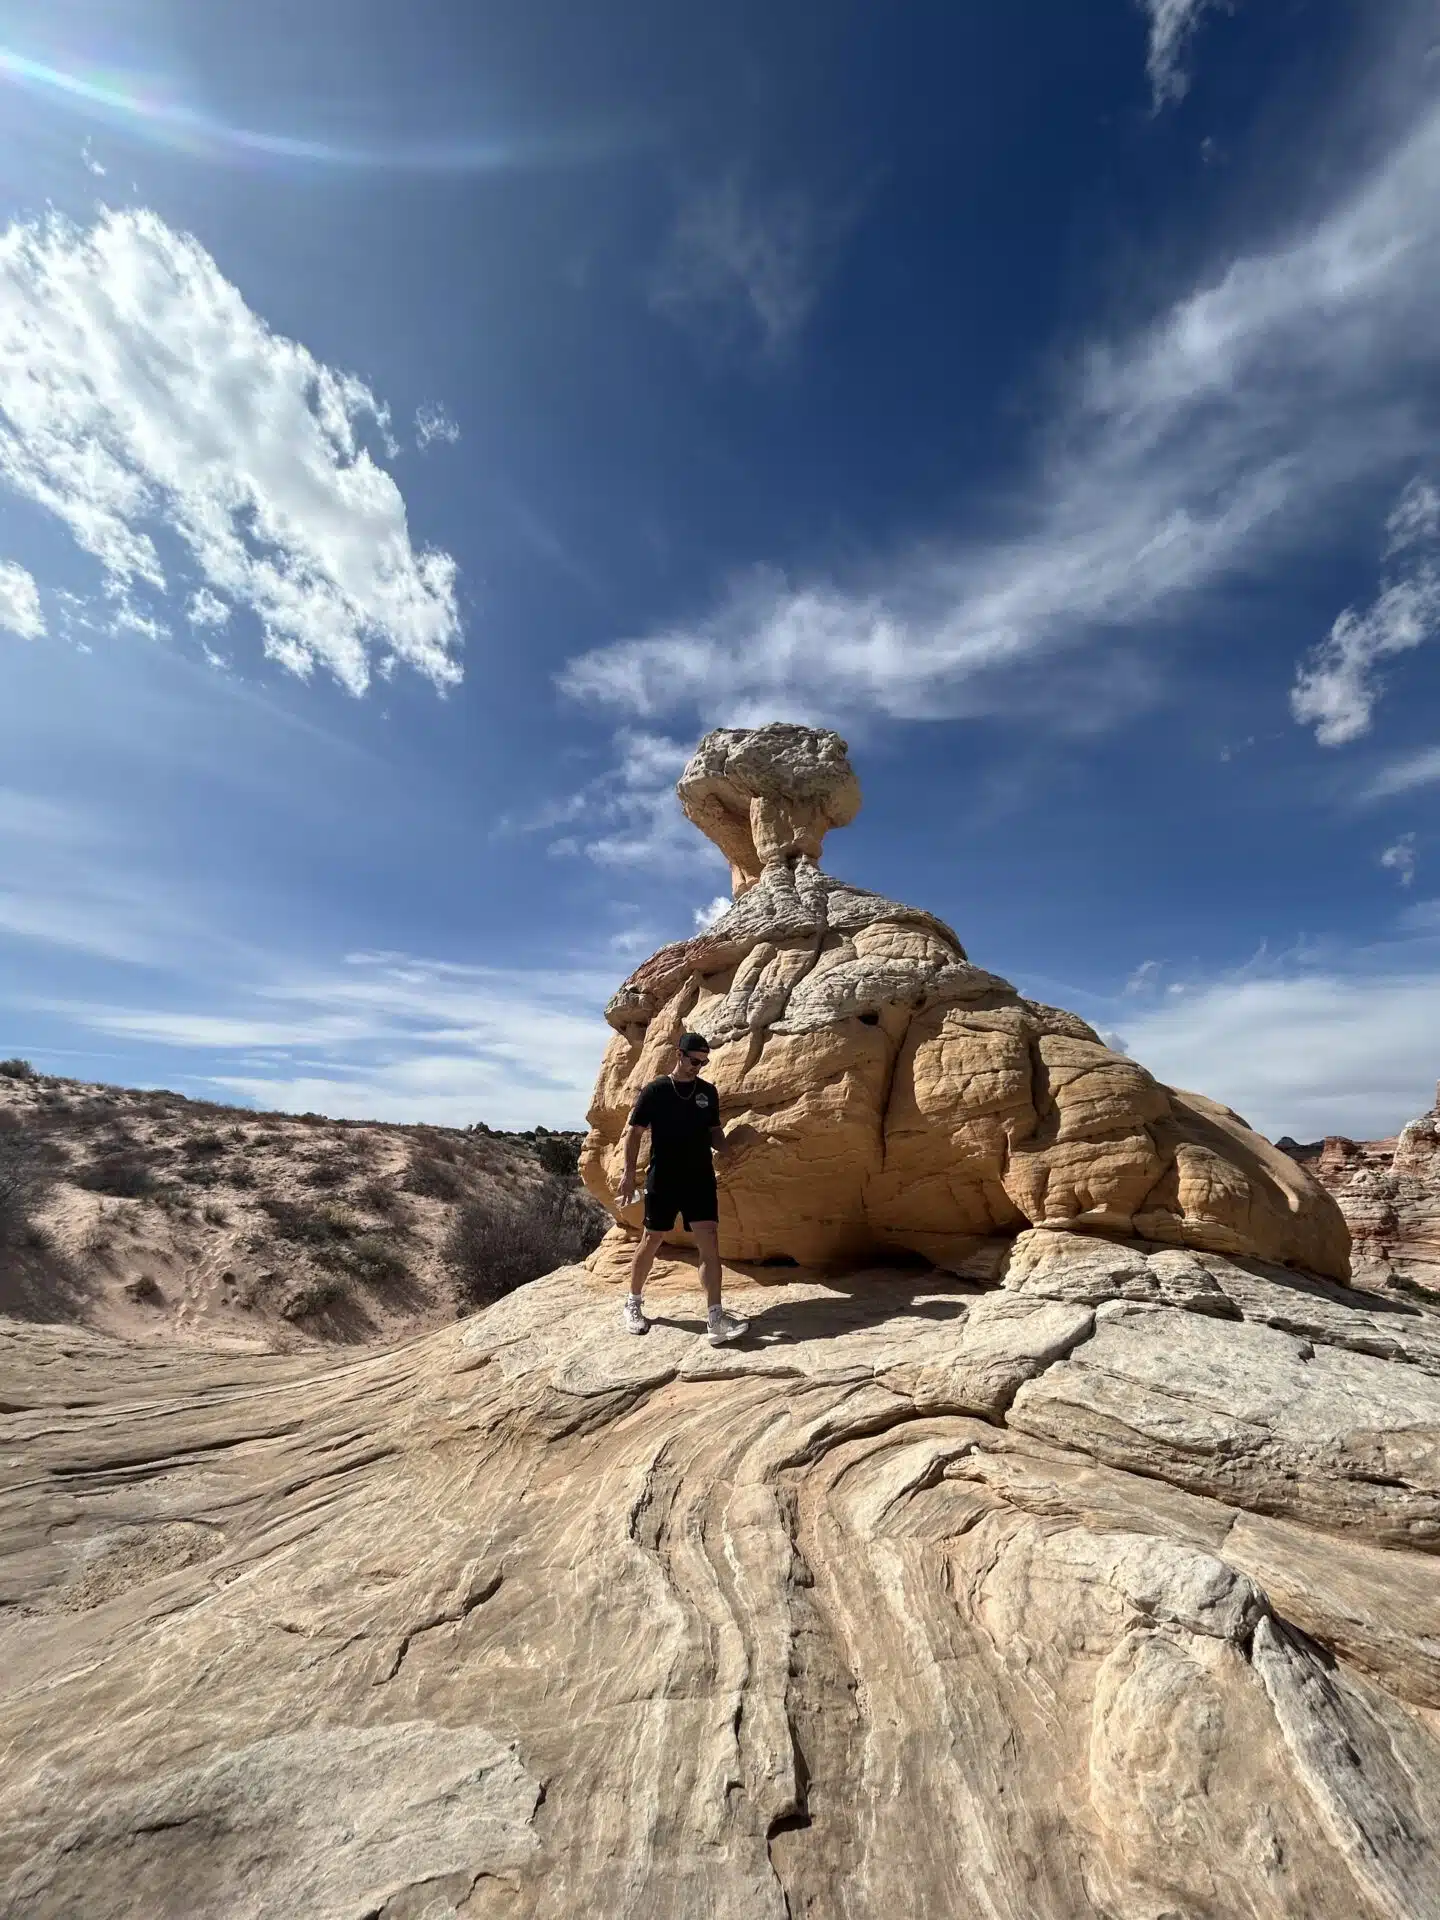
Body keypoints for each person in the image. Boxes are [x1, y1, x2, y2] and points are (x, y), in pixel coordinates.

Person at [616, 1032, 749, 1346]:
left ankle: (715, 1318)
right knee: (652, 1240)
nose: (698, 1067)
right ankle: (633, 1303)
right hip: (663, 1177)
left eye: (703, 1062)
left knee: (710, 1244)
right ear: (679, 1054)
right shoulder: (656, 1090)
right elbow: (634, 1134)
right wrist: (628, 1173)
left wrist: (732, 1149)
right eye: (694, 1060)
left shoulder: (707, 1092)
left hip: (699, 1178)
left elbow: (715, 1133)